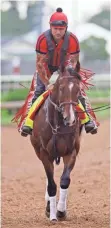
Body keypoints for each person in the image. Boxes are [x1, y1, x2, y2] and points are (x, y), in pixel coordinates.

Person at [21, 7, 98, 136]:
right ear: (50, 27)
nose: (58, 32)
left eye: (61, 29)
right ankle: (28, 122)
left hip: (65, 66)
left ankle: (88, 120)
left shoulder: (73, 40)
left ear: (66, 28)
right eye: (55, 29)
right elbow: (40, 64)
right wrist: (47, 84)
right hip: (46, 66)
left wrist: (70, 79)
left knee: (77, 91)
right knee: (38, 91)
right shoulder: (42, 39)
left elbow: (73, 62)